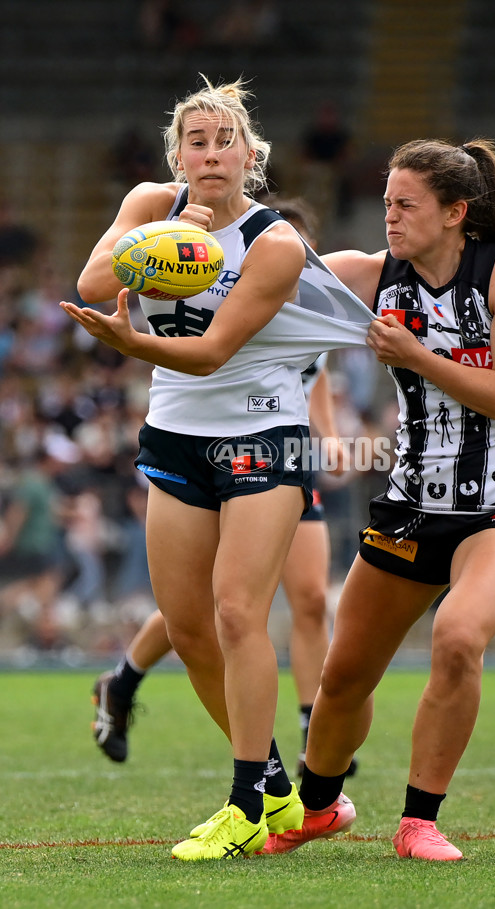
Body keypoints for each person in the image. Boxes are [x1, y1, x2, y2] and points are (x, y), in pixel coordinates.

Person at [60, 76, 372, 861]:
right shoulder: (147, 204)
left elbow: (209, 353)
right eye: (194, 142)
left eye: (222, 141)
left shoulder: (274, 240)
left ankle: (240, 802)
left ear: (250, 155)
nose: (209, 153)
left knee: (239, 611)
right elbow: (94, 285)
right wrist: (168, 240)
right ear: (177, 156)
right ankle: (271, 781)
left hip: (261, 434)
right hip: (173, 437)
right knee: (191, 624)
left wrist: (134, 341)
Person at [262, 138, 495, 862]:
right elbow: (275, 274)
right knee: (340, 679)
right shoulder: (372, 275)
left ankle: (418, 820)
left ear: (456, 212)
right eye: (387, 203)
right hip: (411, 506)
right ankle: (319, 806)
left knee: (458, 636)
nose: (390, 217)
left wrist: (418, 357)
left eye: (406, 205)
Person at [90, 197, 356, 777]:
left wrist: (332, 439)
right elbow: (94, 283)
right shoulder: (206, 262)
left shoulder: (306, 295)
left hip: (275, 447)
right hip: (193, 438)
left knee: (296, 599)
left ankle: (308, 730)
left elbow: (316, 381)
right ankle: (124, 681)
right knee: (201, 609)